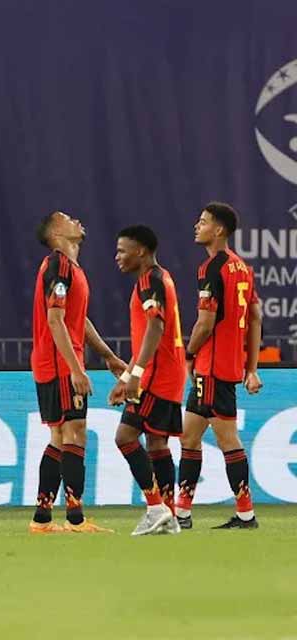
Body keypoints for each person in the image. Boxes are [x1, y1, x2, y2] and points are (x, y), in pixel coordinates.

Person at [29, 211, 126, 534]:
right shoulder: (59, 266)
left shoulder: (71, 269)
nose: (77, 221)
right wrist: (75, 369)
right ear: (57, 232)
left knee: (60, 436)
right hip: (59, 363)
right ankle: (75, 517)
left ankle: (42, 519)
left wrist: (109, 357)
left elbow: (76, 320)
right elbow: (56, 321)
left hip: (53, 360)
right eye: (68, 218)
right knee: (76, 432)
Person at [176, 203, 263, 530]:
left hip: (211, 367)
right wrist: (250, 367)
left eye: (203, 222)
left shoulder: (211, 268)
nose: (196, 226)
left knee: (228, 440)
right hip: (221, 367)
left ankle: (245, 514)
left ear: (220, 230)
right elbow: (255, 317)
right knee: (189, 436)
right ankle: (182, 512)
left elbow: (205, 322)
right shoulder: (243, 268)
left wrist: (188, 351)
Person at [108, 226, 184, 535]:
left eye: (122, 250)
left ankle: (155, 508)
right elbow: (147, 335)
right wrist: (126, 375)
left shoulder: (149, 281)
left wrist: (135, 376)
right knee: (156, 443)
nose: (118, 257)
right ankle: (169, 515)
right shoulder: (160, 276)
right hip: (168, 371)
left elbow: (155, 326)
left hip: (156, 375)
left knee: (125, 438)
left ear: (140, 251)